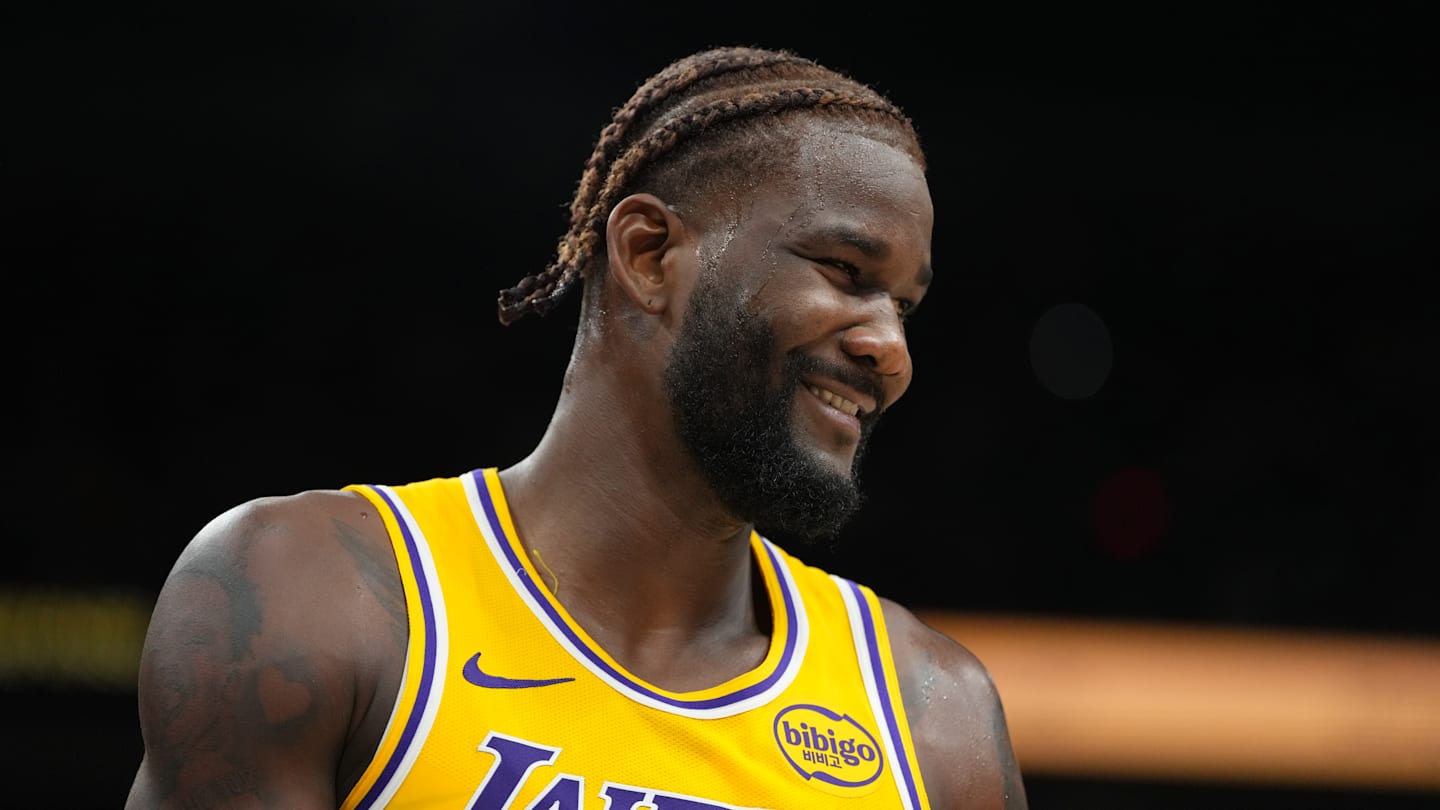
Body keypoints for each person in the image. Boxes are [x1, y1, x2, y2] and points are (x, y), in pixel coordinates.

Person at [125, 45, 1028, 809]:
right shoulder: (315, 599)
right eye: (845, 271)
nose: (891, 350)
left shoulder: (931, 726)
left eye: (906, 307)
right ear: (647, 254)